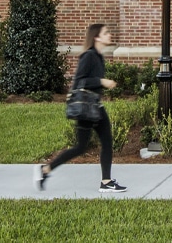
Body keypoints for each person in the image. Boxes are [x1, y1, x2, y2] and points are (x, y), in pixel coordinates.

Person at [35, 24, 127, 193]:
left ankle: (106, 181)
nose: (109, 35)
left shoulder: (98, 57)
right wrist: (101, 81)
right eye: (105, 33)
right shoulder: (89, 56)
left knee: (106, 142)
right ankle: (46, 169)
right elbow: (79, 82)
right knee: (80, 147)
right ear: (96, 37)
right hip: (86, 108)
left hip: (95, 106)